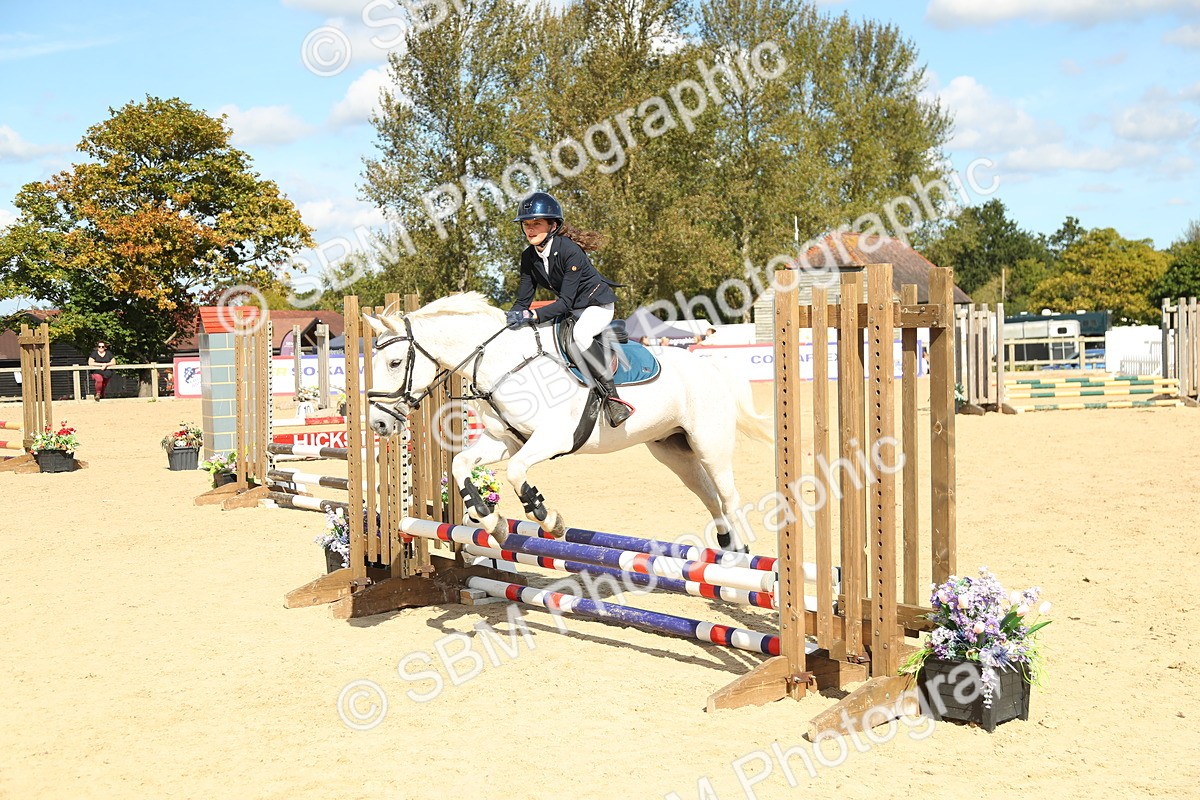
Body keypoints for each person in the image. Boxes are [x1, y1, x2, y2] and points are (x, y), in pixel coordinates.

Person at [505, 191, 634, 427]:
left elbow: (563, 303)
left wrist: (532, 315)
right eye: (526, 224)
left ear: (553, 226)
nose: (530, 230)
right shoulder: (528, 257)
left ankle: (613, 398)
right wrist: (510, 319)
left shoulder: (569, 250)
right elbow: (523, 300)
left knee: (581, 335)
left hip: (596, 305)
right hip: (573, 309)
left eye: (536, 224)